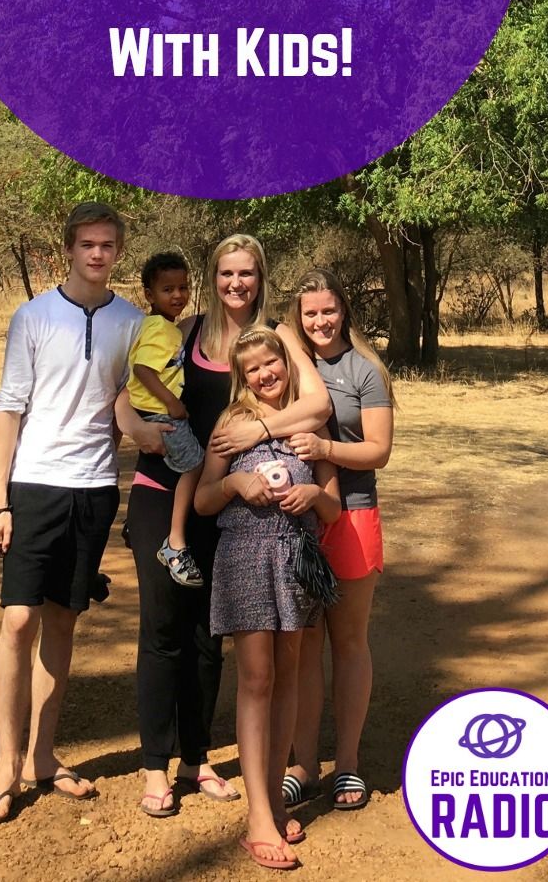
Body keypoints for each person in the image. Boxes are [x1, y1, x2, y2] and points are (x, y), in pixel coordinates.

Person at [116, 234, 330, 819]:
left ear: (261, 277)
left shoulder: (278, 337)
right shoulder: (184, 329)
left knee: (209, 639)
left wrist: (257, 433)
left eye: (248, 273)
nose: (237, 283)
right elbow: (124, 390)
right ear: (213, 276)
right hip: (169, 491)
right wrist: (135, 428)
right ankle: (154, 765)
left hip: (237, 513)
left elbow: (318, 407)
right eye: (227, 273)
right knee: (163, 626)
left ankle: (196, 757)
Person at [0, 202, 143, 825]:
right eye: (87, 244)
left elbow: (125, 407)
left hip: (94, 489)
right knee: (18, 621)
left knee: (63, 623)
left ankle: (44, 756)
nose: (97, 254)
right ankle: (5, 766)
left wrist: (154, 437)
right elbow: (9, 409)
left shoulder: (132, 321)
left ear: (118, 251)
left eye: (107, 245)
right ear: (69, 249)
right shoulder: (34, 316)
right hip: (34, 486)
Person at [195, 326, 341, 869]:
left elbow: (333, 507)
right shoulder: (231, 423)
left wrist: (311, 495)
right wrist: (235, 485)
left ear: (285, 362)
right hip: (246, 559)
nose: (264, 374)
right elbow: (205, 500)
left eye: (270, 363)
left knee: (288, 676)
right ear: (242, 376)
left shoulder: (309, 422)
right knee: (257, 680)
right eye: (252, 368)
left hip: (297, 561)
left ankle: (275, 804)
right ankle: (259, 818)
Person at [281, 268, 394, 813]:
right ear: (298, 317)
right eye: (310, 314)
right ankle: (303, 765)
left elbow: (377, 451)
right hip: (294, 519)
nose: (320, 321)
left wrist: (325, 449)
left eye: (328, 310)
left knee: (348, 643)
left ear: (344, 309)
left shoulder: (365, 370)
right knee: (303, 646)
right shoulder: (290, 365)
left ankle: (346, 764)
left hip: (352, 515)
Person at [127, 252, 204, 588]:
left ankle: (139, 525)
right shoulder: (160, 328)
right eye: (167, 289)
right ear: (149, 294)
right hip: (159, 412)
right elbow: (143, 370)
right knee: (195, 465)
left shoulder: (163, 326)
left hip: (154, 409)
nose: (177, 295)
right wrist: (172, 402)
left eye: (183, 287)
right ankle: (174, 543)